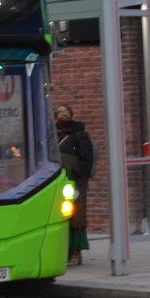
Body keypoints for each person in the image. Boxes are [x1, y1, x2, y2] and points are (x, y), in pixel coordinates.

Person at [56, 105, 93, 266]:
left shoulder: (80, 135)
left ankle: (76, 252)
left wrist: (76, 173)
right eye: (60, 113)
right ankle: (63, 251)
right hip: (56, 180)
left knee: (76, 213)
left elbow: (87, 158)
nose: (63, 115)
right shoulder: (51, 135)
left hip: (74, 181)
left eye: (66, 112)